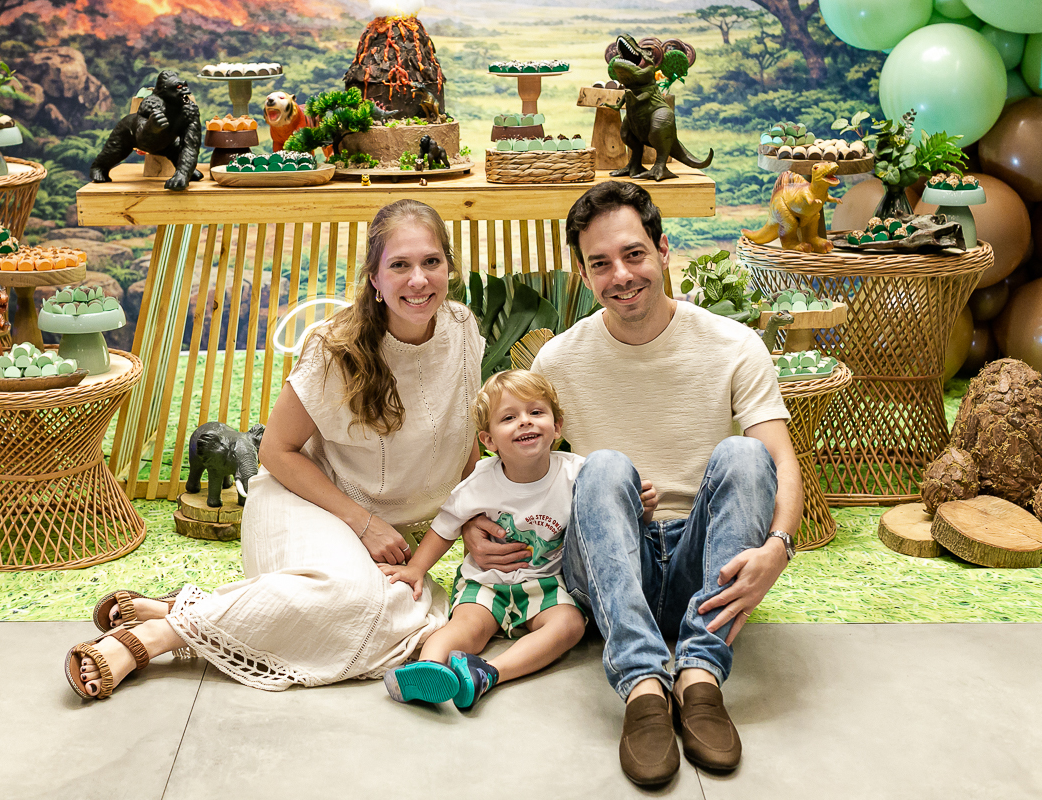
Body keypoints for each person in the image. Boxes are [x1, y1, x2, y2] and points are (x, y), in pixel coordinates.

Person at [64, 198, 485, 699]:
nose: (418, 280)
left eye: (431, 262)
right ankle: (156, 637)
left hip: (393, 536)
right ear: (373, 276)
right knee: (364, 603)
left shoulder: (462, 328)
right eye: (400, 265)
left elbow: (464, 445)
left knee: (396, 607)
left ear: (448, 267)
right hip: (307, 502)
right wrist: (364, 523)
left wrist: (471, 515)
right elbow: (276, 452)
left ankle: (188, 608)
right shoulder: (336, 349)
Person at [462, 181, 802, 785]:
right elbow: (502, 455)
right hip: (611, 565)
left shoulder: (733, 345)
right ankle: (643, 686)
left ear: (665, 250)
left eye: (634, 254)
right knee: (605, 467)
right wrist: (472, 524)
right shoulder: (558, 361)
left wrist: (779, 547)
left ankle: (699, 676)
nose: (621, 275)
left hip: (707, 566)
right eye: (601, 264)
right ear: (584, 274)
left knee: (746, 455)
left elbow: (782, 458)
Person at [378, 371, 604, 710]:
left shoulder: (576, 473)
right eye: (509, 417)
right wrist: (416, 569)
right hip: (485, 582)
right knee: (468, 628)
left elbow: (607, 511)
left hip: (545, 583)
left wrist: (639, 505)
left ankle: (488, 674)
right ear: (489, 440)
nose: (525, 423)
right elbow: (446, 526)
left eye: (536, 413)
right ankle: (428, 668)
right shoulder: (480, 481)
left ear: (557, 427)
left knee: (569, 626)